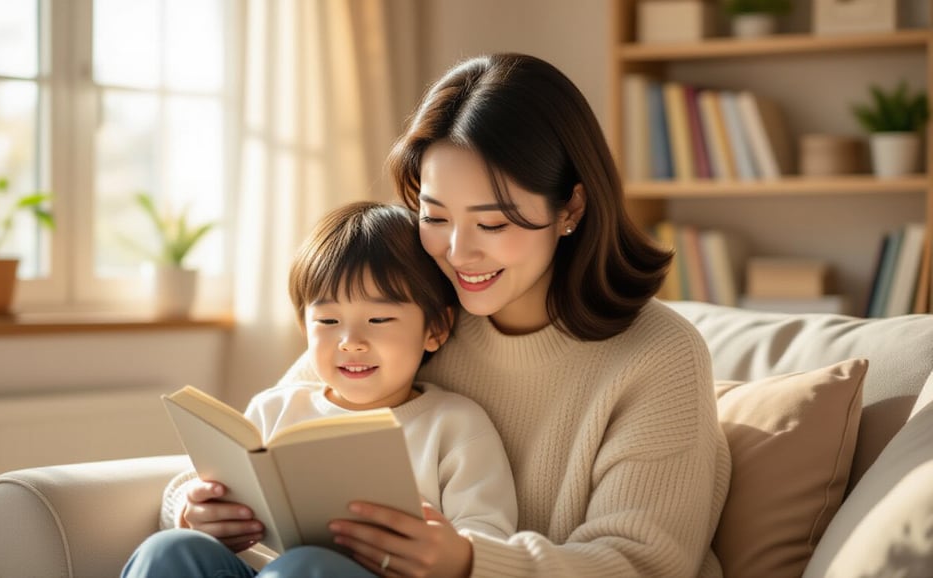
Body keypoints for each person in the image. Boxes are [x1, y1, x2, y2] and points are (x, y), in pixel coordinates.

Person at [146, 51, 732, 578]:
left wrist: (472, 562)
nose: (457, 253)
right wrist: (196, 504)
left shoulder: (657, 355)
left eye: (494, 222)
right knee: (171, 554)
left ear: (570, 207)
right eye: (434, 215)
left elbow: (645, 564)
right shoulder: (412, 307)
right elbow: (272, 448)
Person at [122, 201, 517, 578]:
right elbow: (202, 487)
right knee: (168, 549)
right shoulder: (273, 409)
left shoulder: (453, 425)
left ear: (436, 328)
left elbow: (487, 544)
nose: (350, 341)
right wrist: (197, 512)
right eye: (327, 321)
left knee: (306, 568)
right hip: (261, 569)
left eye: (379, 318)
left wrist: (440, 548)